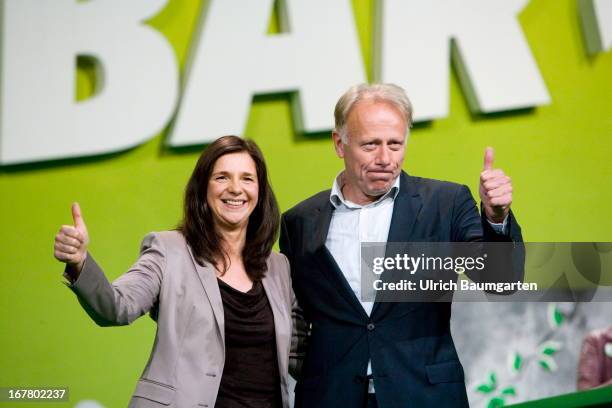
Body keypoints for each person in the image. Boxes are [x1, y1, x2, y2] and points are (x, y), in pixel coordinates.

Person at [280, 83, 524, 408]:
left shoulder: (445, 203)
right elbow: (293, 318)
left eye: (395, 144)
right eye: (370, 145)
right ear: (339, 143)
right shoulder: (299, 221)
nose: (385, 158)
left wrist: (496, 217)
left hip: (424, 396)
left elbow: (501, 281)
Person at [54, 136, 294, 408]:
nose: (236, 188)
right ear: (203, 188)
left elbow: (297, 352)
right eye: (222, 178)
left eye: (247, 178)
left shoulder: (278, 267)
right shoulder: (169, 250)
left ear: (260, 191)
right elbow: (116, 307)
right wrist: (79, 261)